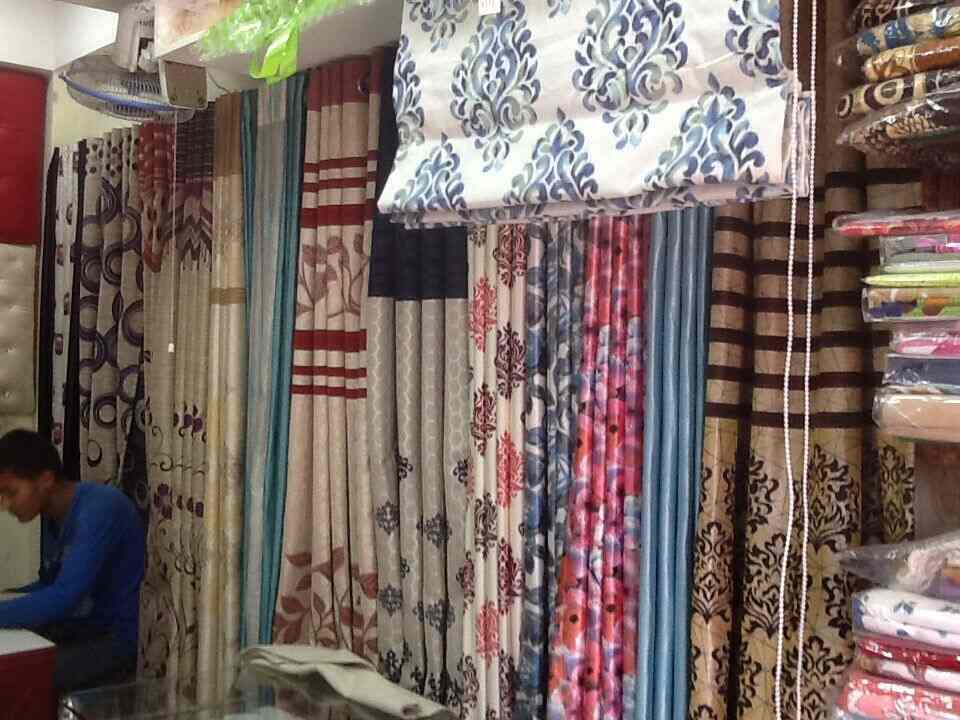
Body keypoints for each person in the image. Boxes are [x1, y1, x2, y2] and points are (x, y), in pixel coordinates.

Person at [0, 429, 145, 695]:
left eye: (11, 492)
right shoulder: (51, 515)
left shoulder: (99, 509)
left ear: (45, 480)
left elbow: (65, 597)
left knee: (14, 675)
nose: (6, 504)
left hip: (114, 640)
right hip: (79, 629)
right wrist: (9, 595)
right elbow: (50, 584)